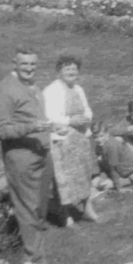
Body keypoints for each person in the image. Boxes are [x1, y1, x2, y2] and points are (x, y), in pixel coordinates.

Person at [0, 47, 54, 262]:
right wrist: (31, 127)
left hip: (42, 155)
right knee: (27, 210)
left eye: (33, 64)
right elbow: (1, 129)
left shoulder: (31, 85)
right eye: (24, 64)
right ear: (14, 63)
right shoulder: (5, 90)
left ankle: (38, 253)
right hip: (22, 159)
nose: (29, 68)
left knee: (39, 210)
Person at [43, 55, 98, 226]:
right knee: (64, 179)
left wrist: (85, 118)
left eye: (74, 69)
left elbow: (88, 110)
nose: (71, 72)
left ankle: (87, 208)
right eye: (67, 69)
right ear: (59, 71)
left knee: (84, 175)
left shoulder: (79, 89)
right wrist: (69, 121)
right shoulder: (50, 91)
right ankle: (64, 213)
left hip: (80, 139)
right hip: (62, 140)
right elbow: (49, 117)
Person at [92, 121, 133, 189]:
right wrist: (103, 176)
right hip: (120, 170)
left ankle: (132, 180)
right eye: (95, 137)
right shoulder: (99, 146)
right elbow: (103, 164)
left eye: (101, 136)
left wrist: (118, 188)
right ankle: (118, 180)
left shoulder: (111, 146)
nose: (99, 139)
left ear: (107, 134)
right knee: (96, 182)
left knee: (102, 185)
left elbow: (113, 168)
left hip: (132, 172)